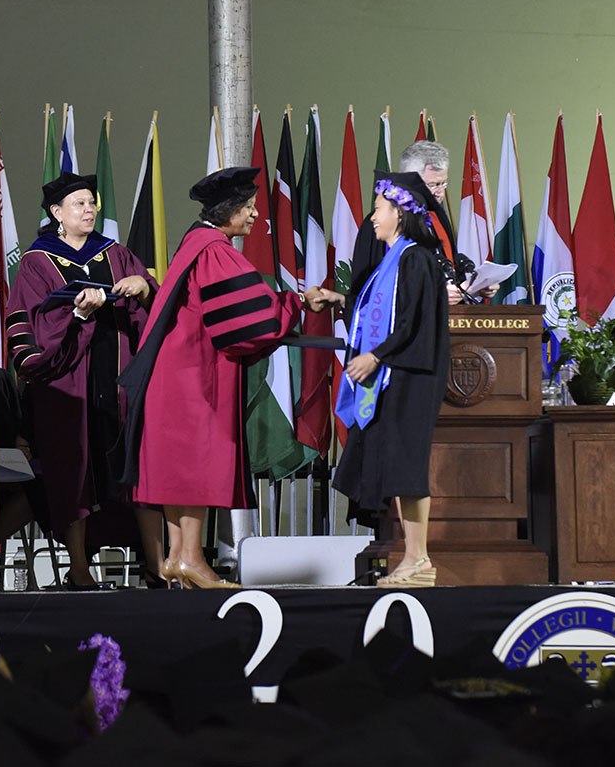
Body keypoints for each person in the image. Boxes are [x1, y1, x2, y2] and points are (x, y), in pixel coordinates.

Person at [121, 167, 326, 590]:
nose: (254, 217)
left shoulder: (193, 243)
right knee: (194, 465)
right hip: (196, 378)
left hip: (175, 373)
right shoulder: (215, 249)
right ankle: (193, 558)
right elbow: (249, 321)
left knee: (176, 470)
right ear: (228, 211)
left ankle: (178, 558)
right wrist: (297, 303)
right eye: (248, 208)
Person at [5, 172, 162, 589]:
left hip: (118, 378)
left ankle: (156, 567)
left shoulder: (116, 253)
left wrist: (143, 286)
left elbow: (154, 306)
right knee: (73, 471)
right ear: (57, 213)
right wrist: (76, 315)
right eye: (79, 204)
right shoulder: (37, 262)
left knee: (134, 467)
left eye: (92, 202)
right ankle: (78, 571)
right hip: (66, 384)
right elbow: (27, 321)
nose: (89, 209)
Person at [308, 171, 450, 587]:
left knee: (407, 466)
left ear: (400, 214)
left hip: (411, 375)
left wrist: (375, 356)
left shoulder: (416, 258)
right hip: (397, 374)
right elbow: (378, 310)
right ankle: (413, 556)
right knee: (397, 468)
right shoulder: (394, 258)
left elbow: (409, 322)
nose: (372, 217)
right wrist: (338, 299)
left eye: (379, 208)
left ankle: (419, 558)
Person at [349, 140, 497, 307]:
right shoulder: (380, 224)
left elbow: (449, 272)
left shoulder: (438, 220)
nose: (440, 193)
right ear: (408, 182)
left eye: (443, 184)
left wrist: (475, 287)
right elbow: (374, 288)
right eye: (433, 185)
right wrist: (434, 295)